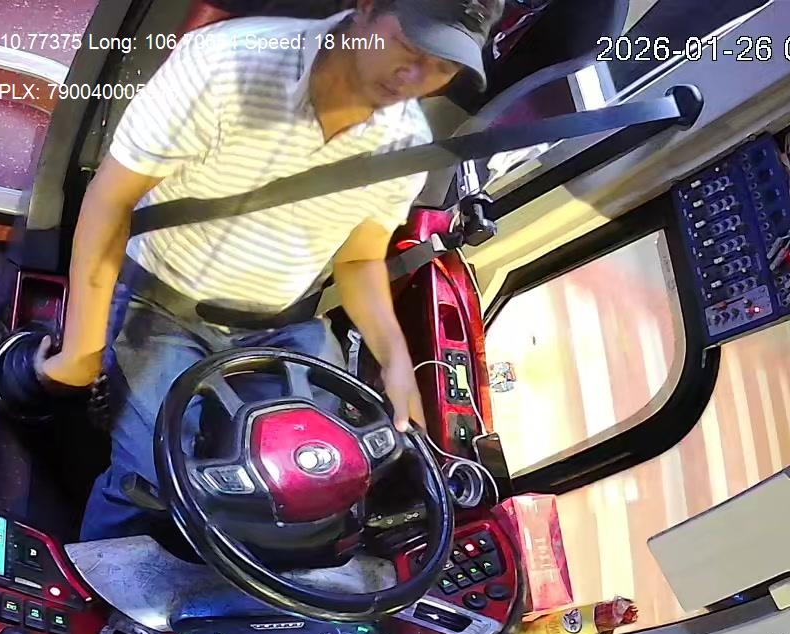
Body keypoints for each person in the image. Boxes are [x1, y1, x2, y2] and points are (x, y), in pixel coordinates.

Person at [37, 0, 504, 541]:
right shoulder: (227, 62)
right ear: (366, 7)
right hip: (161, 304)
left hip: (284, 326)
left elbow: (358, 259)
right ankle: (91, 581)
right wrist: (81, 354)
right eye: (409, 46)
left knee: (314, 484)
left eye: (442, 67)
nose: (415, 77)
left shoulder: (408, 143)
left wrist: (396, 361)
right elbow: (111, 200)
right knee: (158, 480)